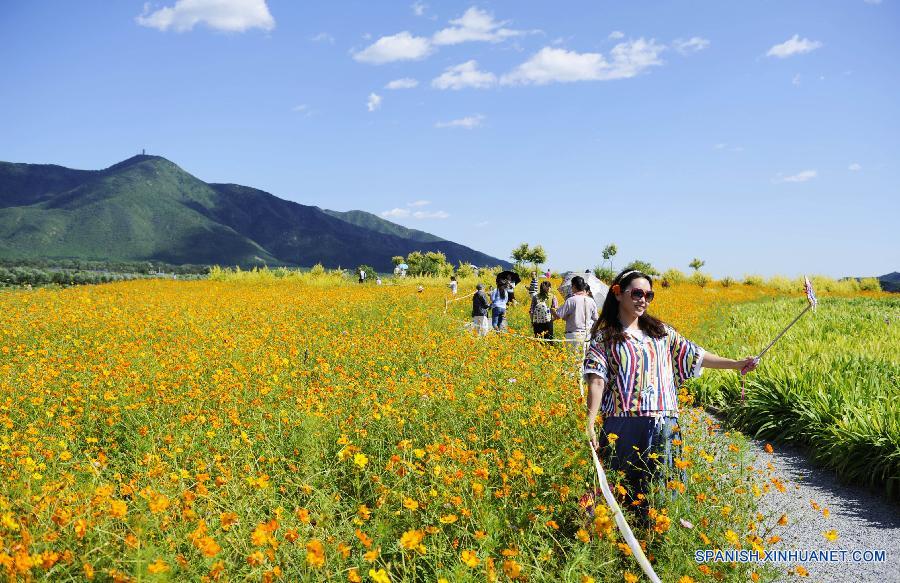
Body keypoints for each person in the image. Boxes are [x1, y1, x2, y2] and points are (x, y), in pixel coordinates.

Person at [583, 269, 758, 524]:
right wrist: (590, 420)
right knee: (621, 486)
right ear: (619, 294)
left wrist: (736, 363)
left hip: (663, 422)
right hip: (621, 425)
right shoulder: (605, 336)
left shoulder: (661, 332)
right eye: (637, 293)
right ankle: (616, 542)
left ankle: (658, 539)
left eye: (649, 295)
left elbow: (696, 355)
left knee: (662, 489)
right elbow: (597, 380)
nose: (643, 299)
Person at [553, 276, 598, 357]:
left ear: (573, 286)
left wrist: (552, 310)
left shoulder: (571, 300)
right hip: (587, 336)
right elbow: (596, 319)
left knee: (573, 363)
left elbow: (558, 315)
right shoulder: (591, 301)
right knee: (584, 362)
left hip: (573, 336)